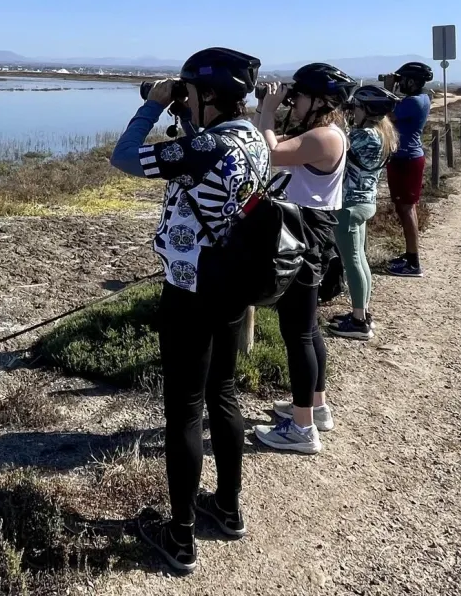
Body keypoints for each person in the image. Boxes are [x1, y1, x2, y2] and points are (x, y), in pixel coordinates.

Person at [110, 47, 269, 574]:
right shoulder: (252, 138)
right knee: (222, 395)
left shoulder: (203, 147)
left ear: (205, 94)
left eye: (188, 90)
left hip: (190, 290)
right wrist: (186, 110)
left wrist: (153, 105)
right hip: (231, 286)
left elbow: (125, 156)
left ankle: (179, 537)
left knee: (182, 410)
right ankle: (227, 507)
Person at [253, 63, 355, 454]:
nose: (292, 104)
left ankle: (301, 429)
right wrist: (270, 112)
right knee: (308, 329)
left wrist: (266, 110)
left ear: (321, 102)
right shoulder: (322, 134)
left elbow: (271, 154)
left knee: (297, 334)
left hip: (304, 241)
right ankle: (316, 407)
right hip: (307, 237)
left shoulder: (326, 137)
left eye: (298, 99)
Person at [328, 85, 399, 340]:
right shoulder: (384, 134)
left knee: (353, 262)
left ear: (367, 109)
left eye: (356, 107)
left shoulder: (363, 136)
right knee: (360, 260)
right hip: (366, 202)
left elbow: (336, 145)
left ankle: (358, 321)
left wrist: (337, 119)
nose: (352, 111)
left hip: (349, 206)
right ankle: (363, 312)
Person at [384, 61, 433, 278]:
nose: (400, 83)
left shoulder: (414, 101)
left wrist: (387, 88)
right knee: (403, 208)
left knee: (407, 209)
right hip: (403, 158)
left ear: (412, 81)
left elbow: (386, 113)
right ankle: (409, 255)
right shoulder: (418, 99)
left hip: (408, 160)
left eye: (402, 79)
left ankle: (413, 263)